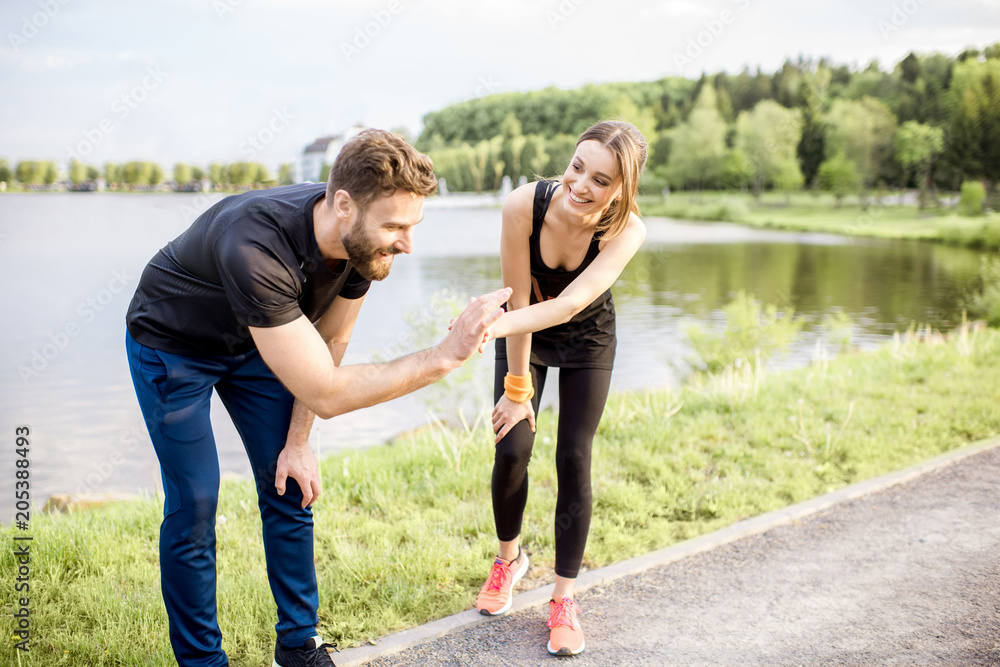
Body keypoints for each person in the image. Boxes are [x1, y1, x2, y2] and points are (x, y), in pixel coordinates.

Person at [124, 129, 510, 667]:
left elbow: (330, 341)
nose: (406, 243)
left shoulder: (359, 245)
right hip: (174, 346)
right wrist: (444, 355)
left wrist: (298, 441)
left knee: (290, 483)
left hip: (262, 345)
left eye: (413, 225)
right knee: (195, 501)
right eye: (395, 226)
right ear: (344, 205)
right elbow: (326, 392)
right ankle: (203, 662)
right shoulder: (253, 245)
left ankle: (298, 646)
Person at [474, 120, 648, 656]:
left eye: (600, 179)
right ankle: (509, 559)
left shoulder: (626, 232)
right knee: (512, 448)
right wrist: (517, 387)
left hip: (587, 340)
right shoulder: (522, 206)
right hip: (524, 325)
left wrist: (485, 327)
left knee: (574, 456)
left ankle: (564, 597)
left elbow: (571, 304)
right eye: (577, 167)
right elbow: (520, 302)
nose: (580, 185)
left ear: (622, 188)